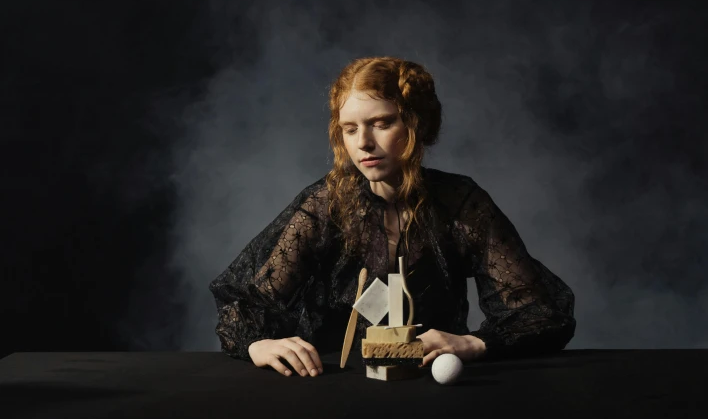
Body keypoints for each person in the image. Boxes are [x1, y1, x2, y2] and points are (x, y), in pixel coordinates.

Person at [208, 56, 576, 377]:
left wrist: (473, 344)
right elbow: (246, 304)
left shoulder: (461, 204)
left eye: (381, 123)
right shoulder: (326, 205)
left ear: (417, 126)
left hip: (430, 387)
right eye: (350, 129)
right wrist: (258, 345)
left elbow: (540, 314)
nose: (363, 143)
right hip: (335, 387)